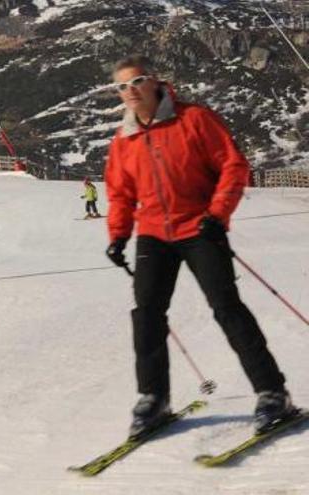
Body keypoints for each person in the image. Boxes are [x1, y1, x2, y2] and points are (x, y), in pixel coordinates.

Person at [104, 54, 294, 437]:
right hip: (154, 234)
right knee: (147, 315)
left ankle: (272, 391)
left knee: (226, 308)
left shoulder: (193, 119)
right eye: (121, 86)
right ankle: (153, 398)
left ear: (154, 82)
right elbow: (120, 194)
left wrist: (217, 213)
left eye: (136, 81)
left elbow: (233, 165)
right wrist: (119, 236)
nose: (130, 91)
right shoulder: (124, 140)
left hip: (199, 228)